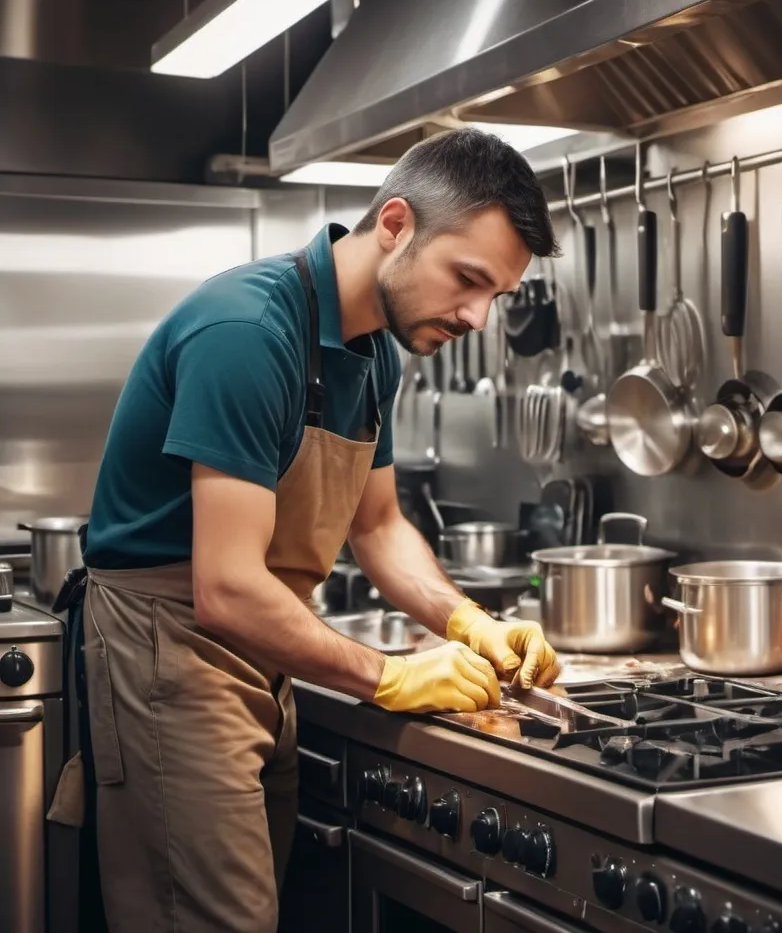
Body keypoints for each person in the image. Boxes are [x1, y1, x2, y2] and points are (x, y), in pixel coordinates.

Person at [49, 129, 562, 932]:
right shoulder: (250, 334)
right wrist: (391, 677)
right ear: (395, 224)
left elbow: (381, 525)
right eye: (467, 280)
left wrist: (470, 622)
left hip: (267, 649)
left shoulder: (373, 353)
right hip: (171, 652)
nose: (476, 316)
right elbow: (224, 587)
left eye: (495, 295)